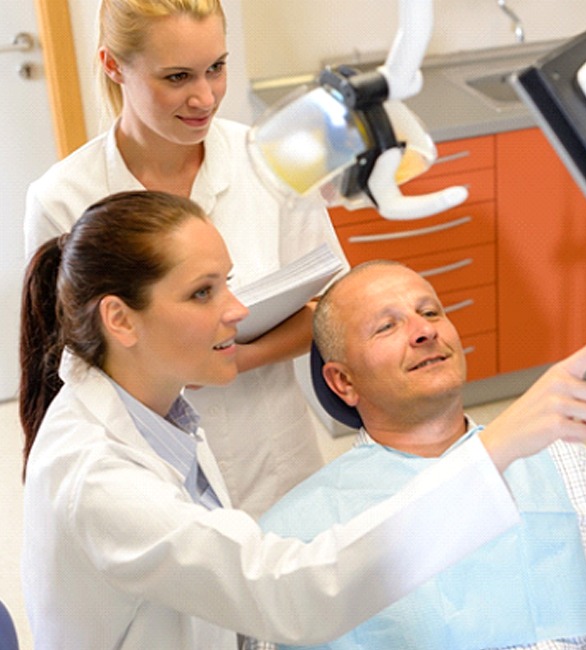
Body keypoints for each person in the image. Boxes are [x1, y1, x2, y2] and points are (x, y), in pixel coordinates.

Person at [19, 192, 586, 650]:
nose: (238, 310)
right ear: (121, 320)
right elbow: (292, 593)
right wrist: (496, 447)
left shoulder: (163, 414)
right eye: (203, 292)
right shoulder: (99, 477)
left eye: (227, 283)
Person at [23, 0, 349, 518]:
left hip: (273, 457)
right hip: (143, 479)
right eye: (177, 77)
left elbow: (331, 312)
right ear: (113, 66)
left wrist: (236, 359)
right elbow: (67, 367)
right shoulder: (64, 199)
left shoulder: (268, 161)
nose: (205, 97)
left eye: (216, 68)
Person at [251, 260, 586, 650]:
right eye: (387, 326)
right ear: (343, 380)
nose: (424, 330)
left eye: (430, 312)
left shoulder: (565, 465)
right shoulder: (293, 536)